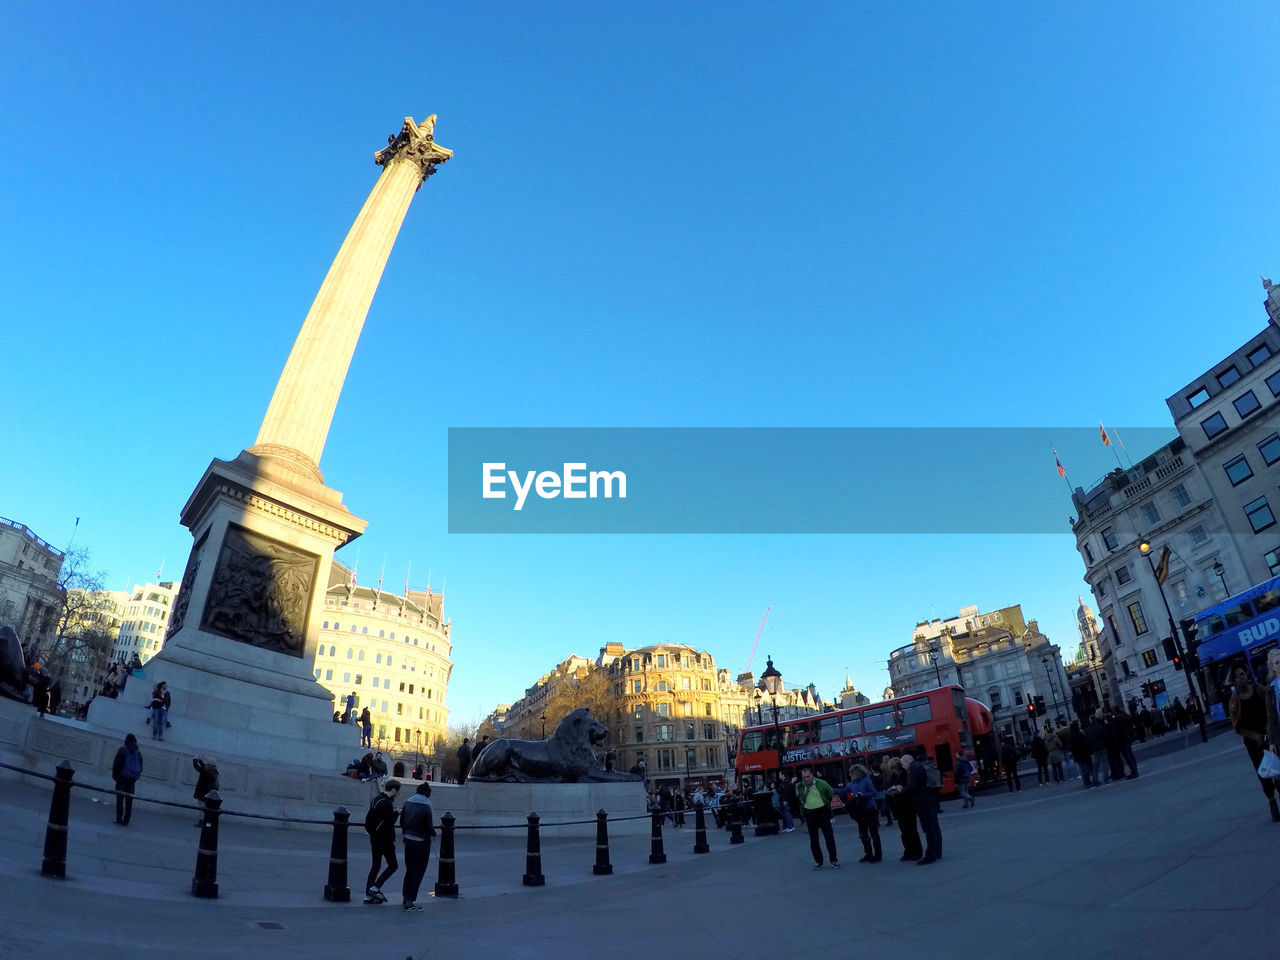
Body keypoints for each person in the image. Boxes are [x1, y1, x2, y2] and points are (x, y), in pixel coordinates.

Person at [1227, 663, 1280, 821]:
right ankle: (1272, 803)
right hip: (1253, 742)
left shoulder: (1258, 689)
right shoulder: (1235, 699)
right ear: (1234, 680)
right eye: (1238, 676)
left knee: (1277, 770)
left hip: (1268, 736)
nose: (1242, 678)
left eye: (1243, 674)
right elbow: (1237, 726)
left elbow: (1271, 707)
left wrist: (1269, 729)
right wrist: (1254, 735)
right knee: (1263, 773)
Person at [399, 781, 436, 911]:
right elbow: (429, 825)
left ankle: (405, 896)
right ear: (427, 793)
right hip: (421, 842)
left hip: (408, 840)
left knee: (409, 870)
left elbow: (402, 820)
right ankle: (410, 901)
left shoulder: (407, 802)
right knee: (418, 872)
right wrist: (433, 833)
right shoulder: (427, 804)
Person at [364, 778, 402, 904]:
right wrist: (397, 813)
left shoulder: (376, 799)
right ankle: (375, 888)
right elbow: (389, 823)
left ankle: (368, 894)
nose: (397, 794)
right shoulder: (387, 803)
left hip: (374, 837)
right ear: (393, 790)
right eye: (397, 792)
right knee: (393, 865)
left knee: (376, 865)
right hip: (384, 839)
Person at [900, 753, 942, 865]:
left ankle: (930, 855)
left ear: (906, 762)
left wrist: (901, 791)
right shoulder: (920, 765)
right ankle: (938, 851)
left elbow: (912, 785)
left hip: (922, 801)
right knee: (934, 826)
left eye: (902, 764)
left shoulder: (913, 768)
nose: (902, 767)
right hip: (931, 798)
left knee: (928, 828)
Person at [796, 767, 839, 869]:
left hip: (822, 811)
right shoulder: (800, 786)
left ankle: (834, 859)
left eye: (808, 776)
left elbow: (831, 793)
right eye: (804, 777)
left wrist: (826, 804)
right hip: (809, 814)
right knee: (813, 839)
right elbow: (800, 798)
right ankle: (818, 861)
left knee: (829, 837)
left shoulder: (821, 783)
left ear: (812, 775)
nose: (806, 779)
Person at [882, 755, 921, 860]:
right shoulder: (893, 777)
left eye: (895, 769)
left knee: (912, 830)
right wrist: (891, 791)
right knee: (904, 831)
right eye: (892, 769)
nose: (894, 771)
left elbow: (909, 789)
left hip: (908, 805)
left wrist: (900, 789)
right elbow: (889, 788)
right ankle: (908, 851)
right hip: (898, 806)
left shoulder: (906, 775)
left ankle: (917, 852)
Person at [844, 764, 883, 863]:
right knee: (863, 834)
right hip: (859, 811)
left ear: (857, 773)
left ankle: (878, 855)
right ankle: (868, 854)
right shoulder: (851, 784)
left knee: (874, 833)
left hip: (870, 809)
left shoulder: (867, 781)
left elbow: (873, 793)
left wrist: (863, 795)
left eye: (852, 773)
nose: (850, 775)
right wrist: (831, 790)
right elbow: (843, 791)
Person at [112, 733, 143, 826]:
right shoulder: (138, 753)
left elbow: (116, 765)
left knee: (120, 800)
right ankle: (126, 821)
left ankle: (119, 819)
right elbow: (140, 767)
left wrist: (116, 777)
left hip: (121, 780)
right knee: (129, 802)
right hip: (132, 781)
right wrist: (135, 778)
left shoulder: (122, 750)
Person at [192, 756, 219, 826]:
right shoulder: (214, 772)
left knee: (202, 809)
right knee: (208, 809)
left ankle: (202, 823)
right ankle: (208, 824)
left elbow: (196, 767)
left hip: (202, 792)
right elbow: (204, 767)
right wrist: (200, 761)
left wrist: (195, 760)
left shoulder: (204, 771)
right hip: (209, 794)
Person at [1069, 720, 1094, 788]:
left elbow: (1072, 746)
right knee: (1087, 768)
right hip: (1083, 753)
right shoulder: (1080, 733)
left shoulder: (1071, 734)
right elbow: (1085, 743)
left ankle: (1086, 782)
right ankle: (1088, 781)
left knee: (1082, 769)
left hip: (1077, 754)